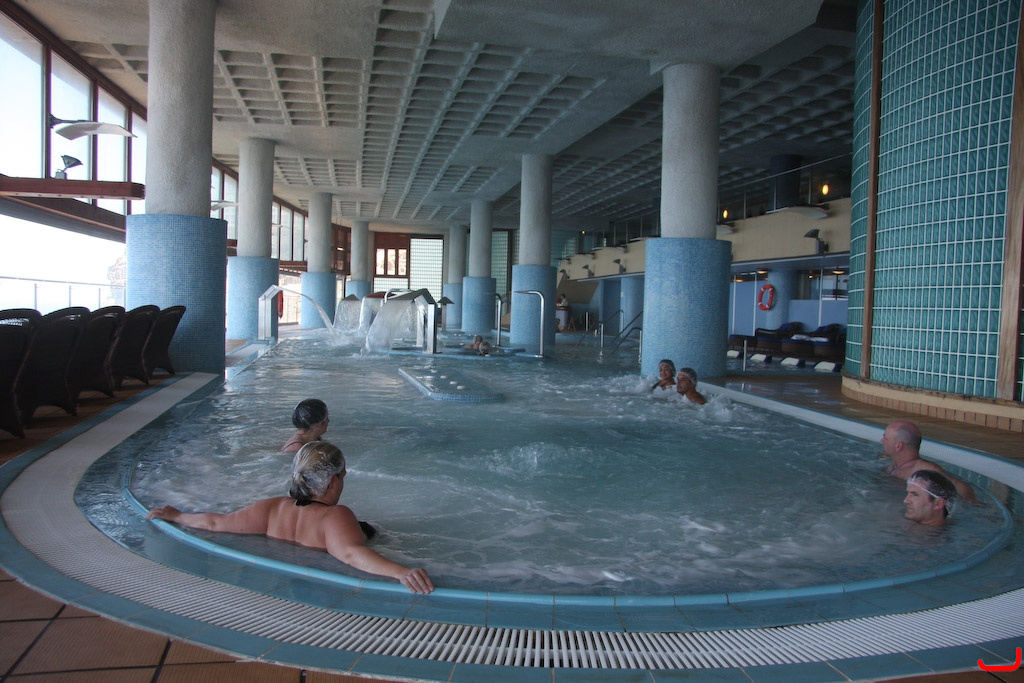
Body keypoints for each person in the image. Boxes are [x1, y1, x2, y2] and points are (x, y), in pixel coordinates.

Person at [148, 441, 434, 594]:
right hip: (325, 589)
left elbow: (217, 523)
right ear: (333, 479)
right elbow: (350, 554)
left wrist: (179, 515)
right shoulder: (335, 516)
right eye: (343, 474)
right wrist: (400, 571)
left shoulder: (272, 508)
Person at [879, 420, 977, 503]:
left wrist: (970, 501)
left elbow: (962, 487)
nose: (882, 440)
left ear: (898, 446)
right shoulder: (895, 464)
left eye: (885, 438)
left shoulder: (923, 469)